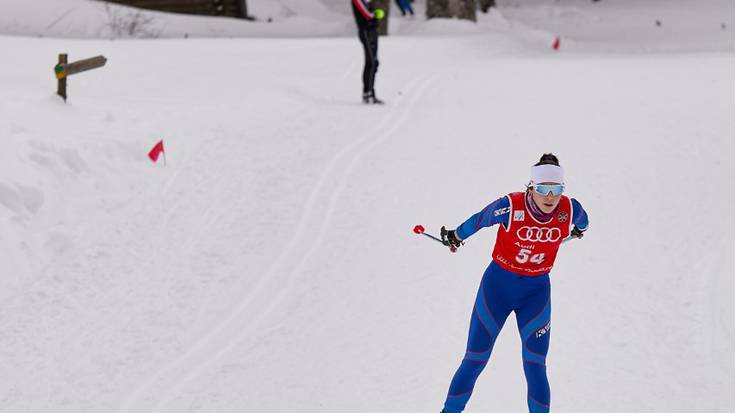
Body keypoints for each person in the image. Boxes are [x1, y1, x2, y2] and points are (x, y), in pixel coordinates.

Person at [438, 153, 589, 413]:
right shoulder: (511, 206)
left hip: (536, 293)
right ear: (531, 186)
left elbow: (584, 221)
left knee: (535, 364)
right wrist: (455, 236)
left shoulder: (570, 209)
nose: (550, 198)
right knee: (476, 358)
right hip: (497, 288)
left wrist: (577, 229)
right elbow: (479, 220)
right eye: (543, 189)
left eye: (556, 190)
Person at [351, 0, 384, 104]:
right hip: (365, 31)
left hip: (373, 30)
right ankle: (367, 94)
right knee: (371, 62)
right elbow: (367, 14)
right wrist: (376, 14)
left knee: (375, 62)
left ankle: (371, 93)